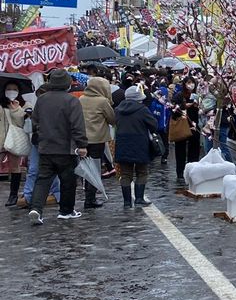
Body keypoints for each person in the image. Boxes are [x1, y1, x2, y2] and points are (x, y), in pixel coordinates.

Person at [29, 68, 89, 225]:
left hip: (45, 147)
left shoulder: (42, 99)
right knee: (68, 180)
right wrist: (82, 144)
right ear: (67, 84)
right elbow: (78, 125)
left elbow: (34, 122)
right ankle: (66, 211)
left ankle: (36, 209)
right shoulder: (72, 101)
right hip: (66, 149)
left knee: (42, 180)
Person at [114, 84, 158, 208]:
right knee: (142, 172)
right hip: (140, 144)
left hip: (123, 143)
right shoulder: (142, 109)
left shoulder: (118, 109)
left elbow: (114, 122)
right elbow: (153, 124)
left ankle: (127, 202)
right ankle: (139, 198)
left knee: (126, 173)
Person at [79, 73, 115, 209]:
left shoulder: (81, 98)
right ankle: (90, 198)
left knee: (85, 168)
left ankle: (87, 193)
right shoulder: (102, 101)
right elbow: (112, 118)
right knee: (95, 168)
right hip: (97, 139)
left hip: (82, 139)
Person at [0, 81, 29, 206]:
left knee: (15, 167)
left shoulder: (24, 104)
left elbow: (23, 123)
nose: (11, 91)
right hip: (1, 139)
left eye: (14, 89)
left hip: (15, 140)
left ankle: (13, 195)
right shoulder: (1, 104)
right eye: (8, 89)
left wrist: (16, 110)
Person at [170, 76, 201, 184]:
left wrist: (198, 106)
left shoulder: (197, 95)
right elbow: (173, 108)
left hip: (194, 124)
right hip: (182, 124)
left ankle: (192, 170)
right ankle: (180, 172)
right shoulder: (179, 95)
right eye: (188, 82)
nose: (191, 85)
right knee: (180, 149)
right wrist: (184, 106)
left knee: (194, 148)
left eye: (193, 82)